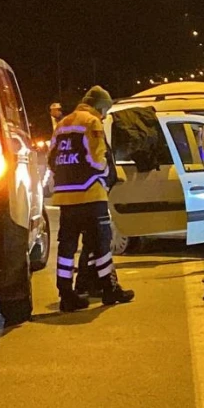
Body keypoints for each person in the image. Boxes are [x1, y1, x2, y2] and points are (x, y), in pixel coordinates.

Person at [49, 86, 135, 311]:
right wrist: (107, 175)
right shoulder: (91, 122)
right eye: (104, 110)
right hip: (91, 195)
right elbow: (98, 159)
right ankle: (109, 289)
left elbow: (51, 160)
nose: (104, 115)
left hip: (66, 198)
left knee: (66, 247)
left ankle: (66, 295)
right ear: (99, 106)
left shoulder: (62, 124)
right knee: (101, 244)